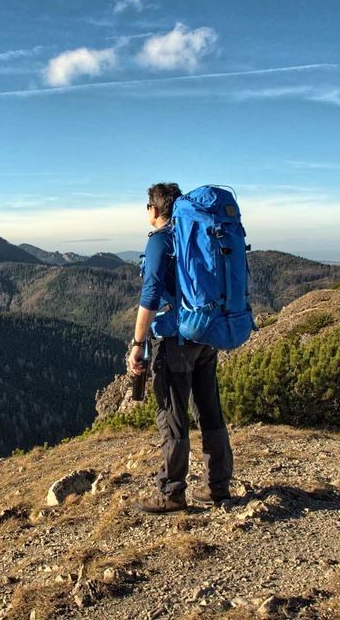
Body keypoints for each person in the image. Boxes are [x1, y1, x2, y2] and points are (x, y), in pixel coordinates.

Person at [128, 182, 235, 514]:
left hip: (176, 339)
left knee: (172, 415)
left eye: (147, 207)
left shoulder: (162, 240)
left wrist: (138, 342)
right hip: (206, 334)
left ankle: (172, 492)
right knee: (209, 409)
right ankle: (218, 487)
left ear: (154, 209)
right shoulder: (196, 235)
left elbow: (150, 295)